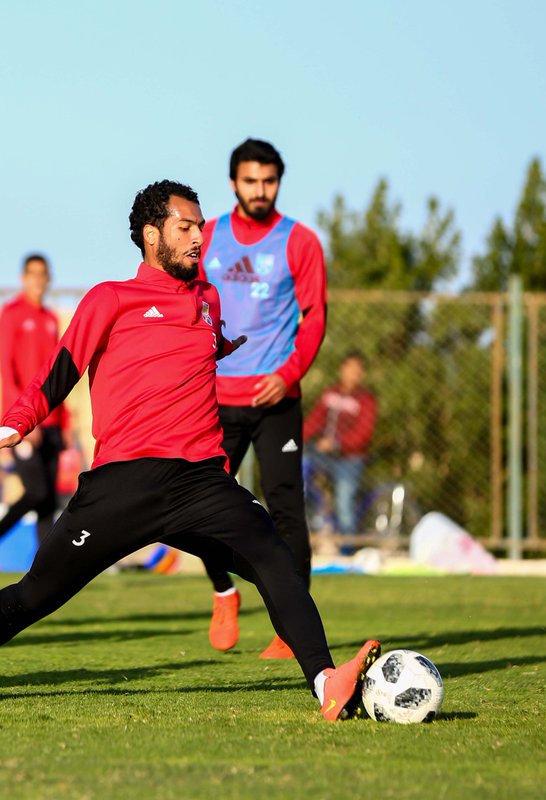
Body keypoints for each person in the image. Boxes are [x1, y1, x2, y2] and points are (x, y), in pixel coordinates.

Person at [0, 180, 380, 722]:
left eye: (200, 227)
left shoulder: (208, 297)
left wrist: (226, 347)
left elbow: (194, 349)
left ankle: (325, 683)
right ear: (151, 235)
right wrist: (11, 427)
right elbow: (59, 372)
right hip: (124, 483)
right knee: (35, 595)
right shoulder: (110, 298)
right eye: (185, 227)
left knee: (274, 555)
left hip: (201, 481)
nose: (199, 237)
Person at [197, 138, 327, 659]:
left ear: (279, 182)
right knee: (198, 505)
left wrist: (287, 374)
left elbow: (314, 317)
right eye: (250, 181)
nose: (259, 190)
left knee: (287, 510)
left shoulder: (300, 242)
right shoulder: (207, 235)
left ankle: (290, 630)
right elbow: (186, 304)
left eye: (268, 181)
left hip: (277, 399)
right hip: (212, 398)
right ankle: (223, 591)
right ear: (234, 183)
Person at [0, 253, 71, 588]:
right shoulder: (11, 314)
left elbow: (58, 375)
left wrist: (65, 422)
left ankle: (44, 577)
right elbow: (7, 372)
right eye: (33, 274)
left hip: (53, 423)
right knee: (37, 492)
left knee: (47, 501)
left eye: (44, 274)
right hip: (24, 425)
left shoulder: (51, 319)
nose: (38, 280)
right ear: (23, 278)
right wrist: (26, 421)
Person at [304, 352, 378, 538]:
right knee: (299, 466)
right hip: (324, 455)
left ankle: (348, 546)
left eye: (357, 371)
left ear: (362, 374)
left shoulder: (366, 400)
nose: (353, 374)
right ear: (341, 369)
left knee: (344, 502)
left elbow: (363, 434)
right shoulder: (330, 393)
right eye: (349, 369)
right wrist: (295, 438)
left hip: (350, 459)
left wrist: (337, 442)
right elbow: (314, 421)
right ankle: (306, 519)